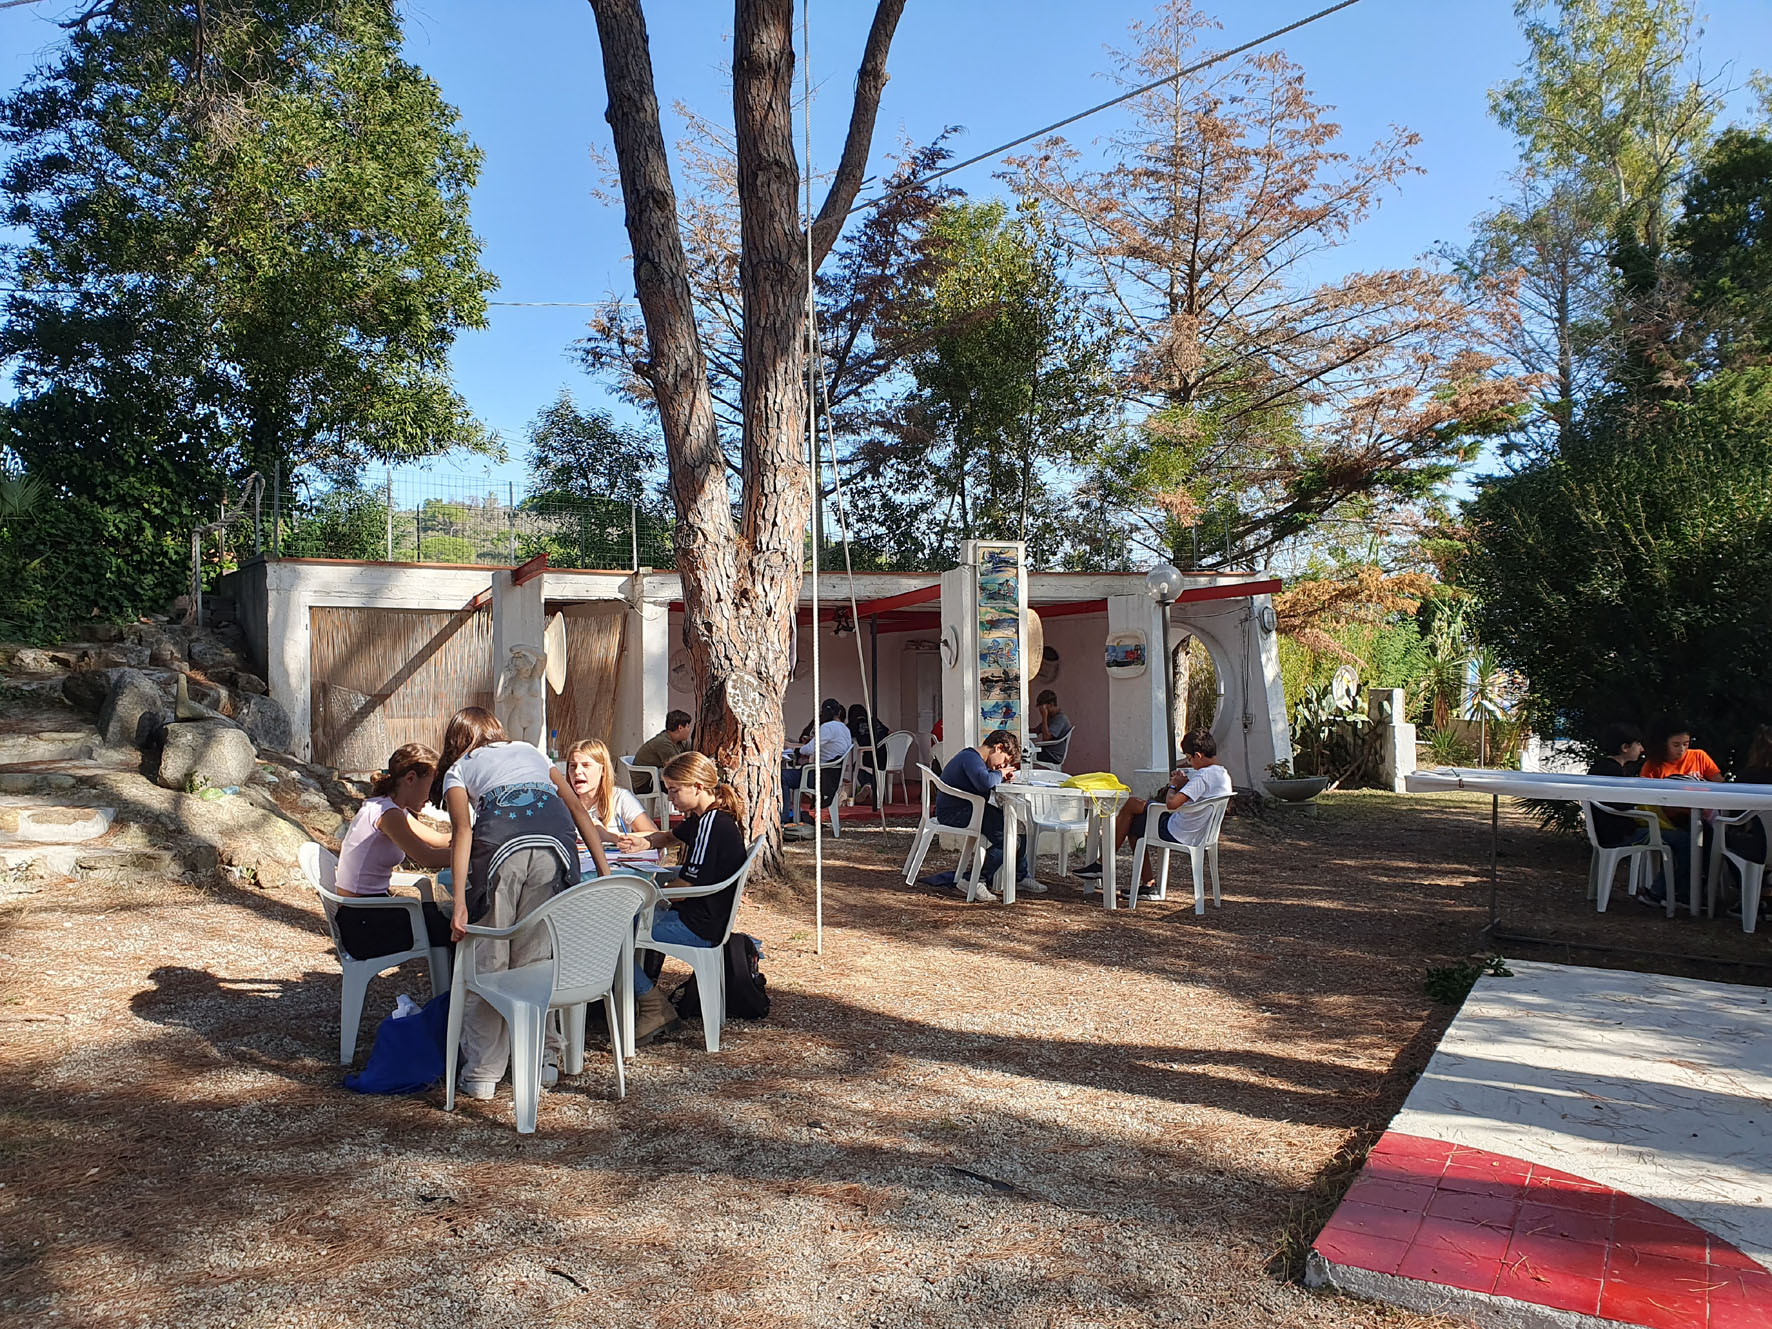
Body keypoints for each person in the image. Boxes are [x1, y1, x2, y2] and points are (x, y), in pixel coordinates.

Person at [436, 707, 612, 1101]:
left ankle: (483, 1074)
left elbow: (463, 831)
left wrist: (461, 903)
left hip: (498, 847)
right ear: (497, 731)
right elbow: (578, 811)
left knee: (488, 963)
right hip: (556, 846)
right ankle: (542, 1063)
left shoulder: (459, 769)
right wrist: (603, 872)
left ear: (456, 741)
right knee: (536, 962)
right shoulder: (531, 752)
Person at [624, 751, 750, 1044]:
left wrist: (645, 895)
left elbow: (683, 888)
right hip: (706, 917)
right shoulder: (706, 816)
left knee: (612, 932)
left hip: (698, 924)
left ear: (697, 786)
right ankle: (639, 998)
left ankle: (653, 1006)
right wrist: (645, 840)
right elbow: (671, 836)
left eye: (674, 790)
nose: (670, 798)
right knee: (627, 923)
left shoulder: (711, 825)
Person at [333, 744, 454, 961]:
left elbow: (439, 840)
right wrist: (479, 855)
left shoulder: (389, 808)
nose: (434, 795)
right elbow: (427, 858)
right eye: (432, 784)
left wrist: (474, 835)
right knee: (455, 928)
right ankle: (454, 993)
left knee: (445, 919)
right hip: (364, 925)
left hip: (364, 914)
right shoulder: (389, 814)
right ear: (410, 779)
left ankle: (450, 990)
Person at [1076, 730, 1233, 896]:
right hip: (1200, 831)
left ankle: (1104, 864)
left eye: (1189, 758)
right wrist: (1182, 785)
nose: (1189, 763)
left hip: (1179, 831)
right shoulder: (1223, 774)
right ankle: (1146, 884)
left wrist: (1174, 785)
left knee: (1130, 805)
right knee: (1135, 824)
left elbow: (1172, 804)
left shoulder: (1203, 776)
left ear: (1198, 755)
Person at [933, 728, 1038, 900]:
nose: (1002, 766)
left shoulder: (976, 760)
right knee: (1008, 837)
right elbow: (985, 782)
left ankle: (1020, 875)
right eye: (1004, 761)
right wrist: (999, 773)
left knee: (1019, 828)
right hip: (957, 813)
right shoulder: (971, 758)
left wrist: (1000, 775)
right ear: (998, 748)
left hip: (970, 809)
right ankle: (973, 880)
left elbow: (985, 778)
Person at [1639, 713, 1722, 907]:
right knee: (1692, 840)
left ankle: (1686, 891)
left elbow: (1720, 785)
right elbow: (1647, 800)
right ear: (1663, 744)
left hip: (1702, 816)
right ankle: (1683, 892)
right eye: (1676, 745)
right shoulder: (1652, 766)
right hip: (1669, 819)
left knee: (1710, 836)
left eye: (1686, 743)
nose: (1683, 750)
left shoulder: (1699, 756)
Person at [563, 737, 659, 849]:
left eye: (586, 765)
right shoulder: (560, 802)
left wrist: (610, 837)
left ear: (603, 770)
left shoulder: (620, 797)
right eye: (573, 766)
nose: (577, 771)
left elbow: (653, 834)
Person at [1586, 722, 1652, 870]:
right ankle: (1663, 890)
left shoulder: (1598, 767)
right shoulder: (1615, 773)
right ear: (1625, 747)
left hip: (1601, 833)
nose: (1642, 749)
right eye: (1638, 744)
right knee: (1681, 839)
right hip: (1620, 836)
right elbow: (1622, 805)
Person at [782, 697, 854, 825]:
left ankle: (784, 817)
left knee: (782, 776)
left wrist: (795, 746)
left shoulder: (827, 727)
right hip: (832, 777)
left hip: (820, 777)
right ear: (839, 712)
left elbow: (807, 750)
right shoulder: (845, 729)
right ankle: (789, 816)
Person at [631, 710, 693, 794]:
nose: (689, 730)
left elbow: (692, 756)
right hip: (644, 783)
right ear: (680, 728)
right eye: (688, 726)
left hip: (656, 778)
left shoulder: (680, 742)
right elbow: (675, 767)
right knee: (685, 788)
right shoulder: (663, 742)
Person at [847, 703, 890, 804]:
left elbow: (845, 735)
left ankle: (867, 785)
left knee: (857, 766)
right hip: (886, 756)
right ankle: (871, 787)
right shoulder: (875, 721)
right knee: (873, 769)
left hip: (868, 756)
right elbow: (889, 732)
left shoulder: (853, 724)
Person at [1032, 689, 1073, 765]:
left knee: (1025, 756)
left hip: (1053, 755)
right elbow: (1036, 731)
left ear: (1051, 705)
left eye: (1042, 708)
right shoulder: (1051, 717)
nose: (1041, 711)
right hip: (1046, 751)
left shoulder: (1060, 719)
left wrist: (1044, 716)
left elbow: (1046, 737)